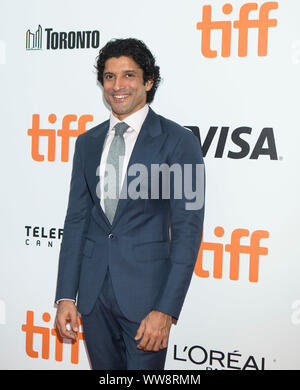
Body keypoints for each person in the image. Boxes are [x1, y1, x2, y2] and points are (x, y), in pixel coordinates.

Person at [54, 38, 205, 370]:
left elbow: (188, 231)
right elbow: (77, 220)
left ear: (148, 82)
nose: (117, 86)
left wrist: (165, 309)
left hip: (147, 300)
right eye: (109, 77)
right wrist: (66, 295)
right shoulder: (86, 143)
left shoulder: (180, 142)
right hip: (92, 299)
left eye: (129, 76)